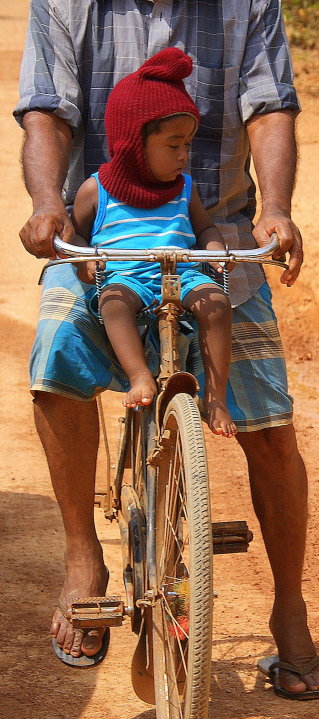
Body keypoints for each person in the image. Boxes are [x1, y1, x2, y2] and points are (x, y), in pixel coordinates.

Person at [16, 0, 319, 698]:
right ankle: (84, 556)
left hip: (215, 238)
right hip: (103, 241)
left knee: (269, 424)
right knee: (52, 363)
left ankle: (292, 612)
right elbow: (48, 114)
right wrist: (47, 206)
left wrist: (274, 208)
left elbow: (271, 108)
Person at [70, 46, 236, 435]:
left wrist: (212, 249)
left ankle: (215, 396)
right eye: (172, 144)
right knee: (112, 303)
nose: (183, 155)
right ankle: (139, 376)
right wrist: (83, 261)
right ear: (133, 144)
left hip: (183, 274)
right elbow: (75, 234)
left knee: (217, 304)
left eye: (188, 145)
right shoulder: (96, 191)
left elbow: (206, 228)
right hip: (126, 274)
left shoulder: (184, 190)